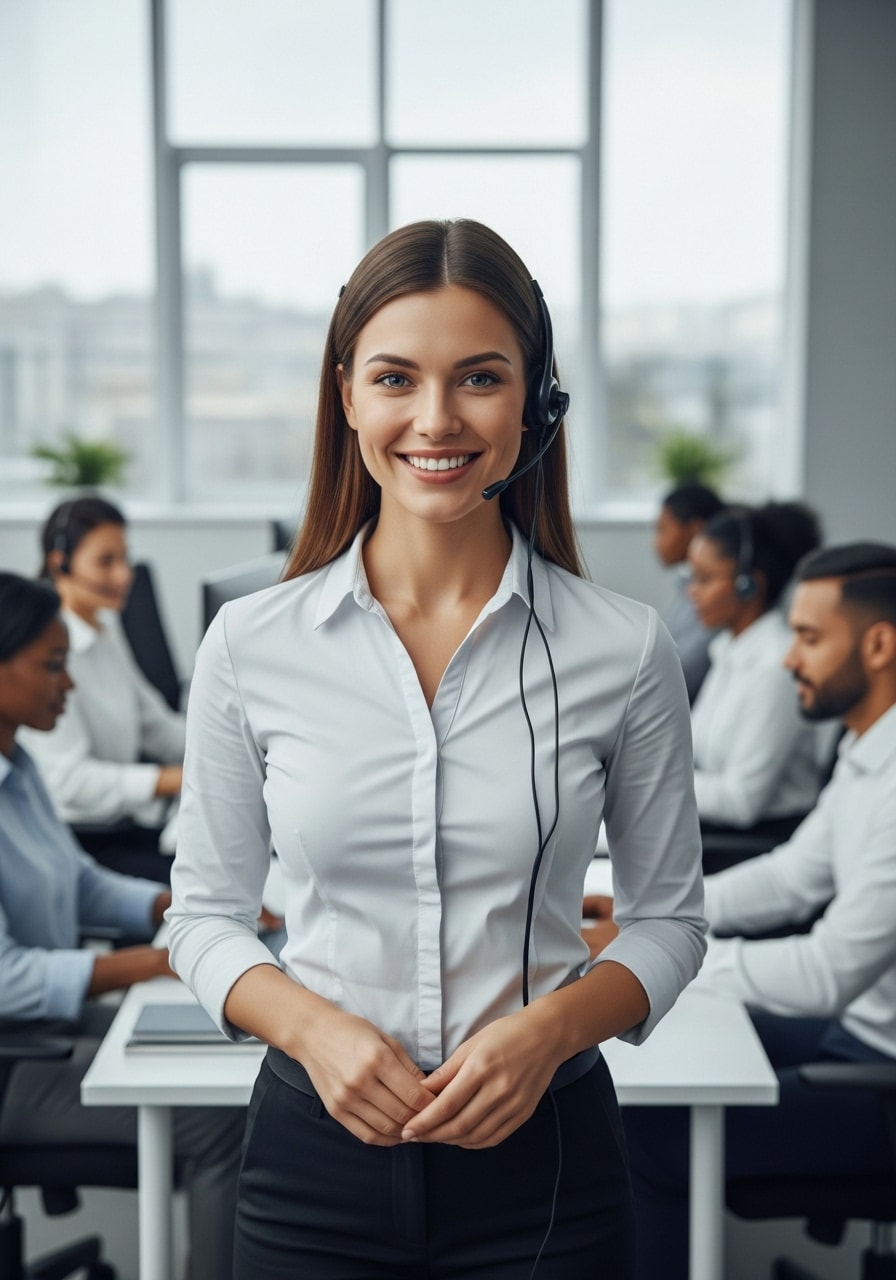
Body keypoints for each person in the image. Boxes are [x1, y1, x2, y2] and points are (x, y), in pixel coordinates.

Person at [167, 218, 706, 1280]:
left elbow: (670, 921)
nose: (435, 418)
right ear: (346, 395)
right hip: (312, 1157)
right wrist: (314, 1027)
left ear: (536, 403)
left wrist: (548, 1031)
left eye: (479, 377)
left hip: (545, 1159)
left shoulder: (621, 647)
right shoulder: (249, 643)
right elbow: (203, 915)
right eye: (395, 377)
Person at [584, 541, 896, 1280]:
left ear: (881, 644)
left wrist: (674, 957)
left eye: (810, 638)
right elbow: (792, 877)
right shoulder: (869, 751)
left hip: (880, 1074)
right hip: (857, 1036)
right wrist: (646, 918)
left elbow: (823, 973)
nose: (788, 659)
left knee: (649, 1136)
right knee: (658, 1046)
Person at [0, 570, 245, 1280]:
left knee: (227, 1052)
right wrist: (160, 961)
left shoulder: (18, 765)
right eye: (52, 666)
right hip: (14, 1063)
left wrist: (176, 905)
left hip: (47, 1035)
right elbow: (7, 979)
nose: (68, 686)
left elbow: (77, 882)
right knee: (217, 1119)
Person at [19, 495, 186, 881]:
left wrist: (234, 744)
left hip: (127, 828)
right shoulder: (48, 653)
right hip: (85, 844)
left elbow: (156, 726)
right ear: (59, 562)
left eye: (124, 559)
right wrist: (173, 779)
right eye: (105, 561)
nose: (124, 575)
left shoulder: (103, 630)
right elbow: (70, 781)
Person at [686, 500, 832, 841]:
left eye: (704, 579)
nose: (691, 591)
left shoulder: (775, 666)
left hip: (754, 841)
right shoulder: (729, 650)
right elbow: (692, 751)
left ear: (749, 585)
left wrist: (646, 778)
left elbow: (742, 801)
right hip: (712, 830)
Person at [653, 481, 726, 703]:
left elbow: (680, 673)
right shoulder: (686, 584)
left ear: (695, 530)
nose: (655, 543)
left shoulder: (715, 599)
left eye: (663, 529)